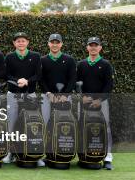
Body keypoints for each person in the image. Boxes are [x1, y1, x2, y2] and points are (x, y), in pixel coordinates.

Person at [76, 37, 115, 170]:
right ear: (87, 48)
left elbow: (109, 85)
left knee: (106, 128)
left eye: (95, 45)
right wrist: (82, 97)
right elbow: (77, 83)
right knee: (82, 127)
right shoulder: (81, 64)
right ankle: (84, 156)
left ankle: (107, 158)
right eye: (90, 45)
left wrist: (100, 100)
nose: (93, 48)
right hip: (84, 102)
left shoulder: (105, 64)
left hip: (101, 102)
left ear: (100, 48)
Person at [4, 32, 42, 164]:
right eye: (18, 41)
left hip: (30, 95)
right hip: (13, 94)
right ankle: (10, 153)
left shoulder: (35, 56)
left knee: (32, 124)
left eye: (23, 40)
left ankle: (34, 154)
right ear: (14, 43)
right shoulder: (9, 57)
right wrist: (18, 80)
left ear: (27, 42)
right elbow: (6, 75)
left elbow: (38, 75)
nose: (21, 43)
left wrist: (27, 81)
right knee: (11, 124)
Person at [40, 33, 76, 124]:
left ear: (61, 44)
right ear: (48, 44)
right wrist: (48, 93)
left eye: (57, 42)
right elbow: (41, 79)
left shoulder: (69, 60)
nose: (55, 45)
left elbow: (72, 79)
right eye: (52, 42)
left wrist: (66, 94)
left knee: (65, 123)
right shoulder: (42, 60)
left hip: (65, 97)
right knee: (45, 121)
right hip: (46, 97)